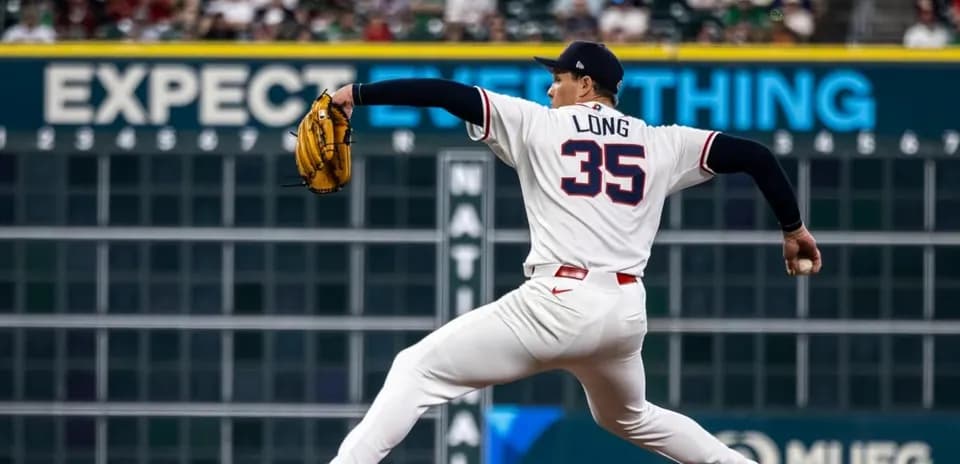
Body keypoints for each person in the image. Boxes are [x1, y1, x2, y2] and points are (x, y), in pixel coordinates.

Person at [325, 40, 822, 464]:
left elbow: (447, 94)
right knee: (629, 416)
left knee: (416, 368)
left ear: (585, 85)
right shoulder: (659, 142)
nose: (549, 88)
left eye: (558, 77)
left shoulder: (540, 124)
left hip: (557, 302)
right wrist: (793, 228)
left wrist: (356, 95)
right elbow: (756, 156)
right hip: (625, 313)